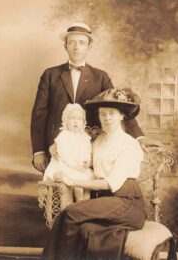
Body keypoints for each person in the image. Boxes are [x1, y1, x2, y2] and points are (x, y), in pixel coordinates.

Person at [41, 87, 147, 260]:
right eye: (102, 114)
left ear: (121, 116)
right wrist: (56, 148)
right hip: (103, 200)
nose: (107, 118)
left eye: (112, 113)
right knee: (82, 227)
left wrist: (72, 181)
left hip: (127, 201)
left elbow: (109, 183)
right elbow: (79, 155)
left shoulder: (129, 144)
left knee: (70, 212)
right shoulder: (98, 141)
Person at [31, 22, 146, 172]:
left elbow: (117, 106)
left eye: (81, 43)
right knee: (59, 187)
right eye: (71, 42)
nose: (76, 47)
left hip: (90, 146)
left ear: (89, 46)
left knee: (88, 189)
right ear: (65, 46)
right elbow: (39, 114)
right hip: (57, 146)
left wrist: (139, 137)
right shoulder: (50, 75)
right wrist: (39, 151)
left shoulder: (101, 77)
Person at [43, 103, 94, 201]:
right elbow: (64, 155)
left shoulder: (84, 137)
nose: (76, 121)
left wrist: (87, 162)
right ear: (65, 121)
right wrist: (76, 166)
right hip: (65, 166)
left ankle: (87, 204)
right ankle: (79, 203)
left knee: (87, 183)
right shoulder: (64, 136)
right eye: (72, 118)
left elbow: (87, 152)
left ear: (83, 122)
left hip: (80, 167)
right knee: (78, 183)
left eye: (79, 119)